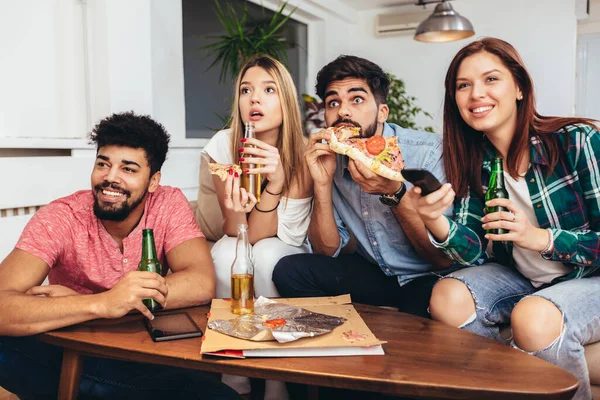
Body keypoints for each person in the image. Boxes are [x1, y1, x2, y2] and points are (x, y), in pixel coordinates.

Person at [409, 37, 600, 400]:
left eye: (491, 79)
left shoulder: (578, 141)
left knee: (533, 316)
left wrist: (542, 238)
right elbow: (475, 253)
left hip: (589, 279)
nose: (475, 93)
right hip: (523, 280)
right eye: (463, 85)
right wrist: (434, 220)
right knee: (447, 294)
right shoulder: (472, 160)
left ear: (520, 88)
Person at [0, 112, 239, 400]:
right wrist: (101, 304)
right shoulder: (61, 217)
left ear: (153, 181)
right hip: (74, 351)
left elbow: (200, 281)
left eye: (128, 169)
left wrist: (113, 301)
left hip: (144, 350)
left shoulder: (167, 203)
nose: (110, 178)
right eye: (103, 164)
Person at [272, 55, 454, 319]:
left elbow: (441, 259)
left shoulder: (428, 153)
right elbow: (327, 251)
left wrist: (393, 192)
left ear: (382, 112)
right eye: (333, 102)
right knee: (289, 270)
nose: (344, 111)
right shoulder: (330, 159)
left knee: (417, 323)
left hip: (428, 276)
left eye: (357, 99)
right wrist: (321, 184)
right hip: (375, 272)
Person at [195, 55, 312, 398]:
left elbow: (284, 235)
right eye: (246, 90)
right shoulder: (224, 145)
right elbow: (237, 229)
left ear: (285, 101)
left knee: (266, 256)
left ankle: (275, 377)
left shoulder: (302, 152)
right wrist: (242, 207)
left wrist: (275, 183)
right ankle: (234, 369)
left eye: (268, 89)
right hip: (247, 236)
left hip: (289, 246)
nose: (254, 98)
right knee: (224, 255)